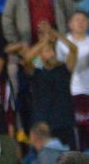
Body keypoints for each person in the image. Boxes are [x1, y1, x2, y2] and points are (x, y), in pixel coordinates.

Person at [22, 22, 79, 150]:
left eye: (52, 50)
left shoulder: (64, 68)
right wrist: (44, 41)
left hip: (65, 122)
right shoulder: (37, 70)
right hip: (43, 126)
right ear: (40, 55)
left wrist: (55, 34)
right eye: (47, 51)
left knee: (69, 159)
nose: (52, 53)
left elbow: (74, 49)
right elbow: (27, 59)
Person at [65, 11, 89, 151]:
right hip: (71, 91)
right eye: (77, 20)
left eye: (83, 20)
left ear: (88, 23)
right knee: (75, 133)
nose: (80, 23)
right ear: (70, 24)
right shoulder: (63, 43)